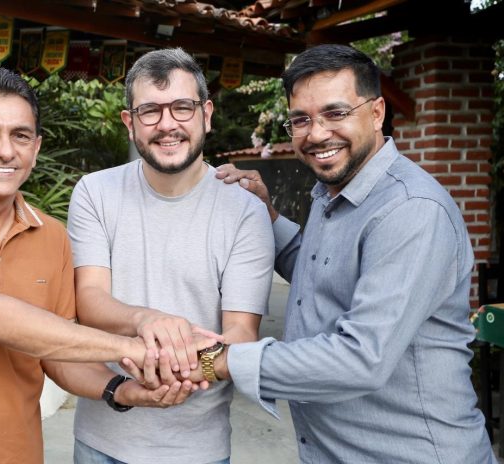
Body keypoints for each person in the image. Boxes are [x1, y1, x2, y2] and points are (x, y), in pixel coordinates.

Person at [0, 67, 212, 464]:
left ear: (35, 148)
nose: (5, 151)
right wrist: (138, 346)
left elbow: (57, 351)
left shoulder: (52, 236)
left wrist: (121, 389)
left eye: (20, 135)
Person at [207, 44, 496, 463]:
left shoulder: (410, 210)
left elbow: (361, 358)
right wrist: (267, 215)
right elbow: (320, 274)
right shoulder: (333, 191)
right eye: (301, 119)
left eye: (335, 113)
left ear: (377, 113)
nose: (316, 134)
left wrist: (221, 361)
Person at [67, 48, 275, 464]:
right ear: (130, 123)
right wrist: (149, 320)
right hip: (101, 440)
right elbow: (89, 300)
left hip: (197, 448)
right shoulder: (94, 192)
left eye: (182, 107)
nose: (167, 125)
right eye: (150, 111)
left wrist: (175, 367)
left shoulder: (245, 211)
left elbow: (240, 333)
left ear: (206, 115)